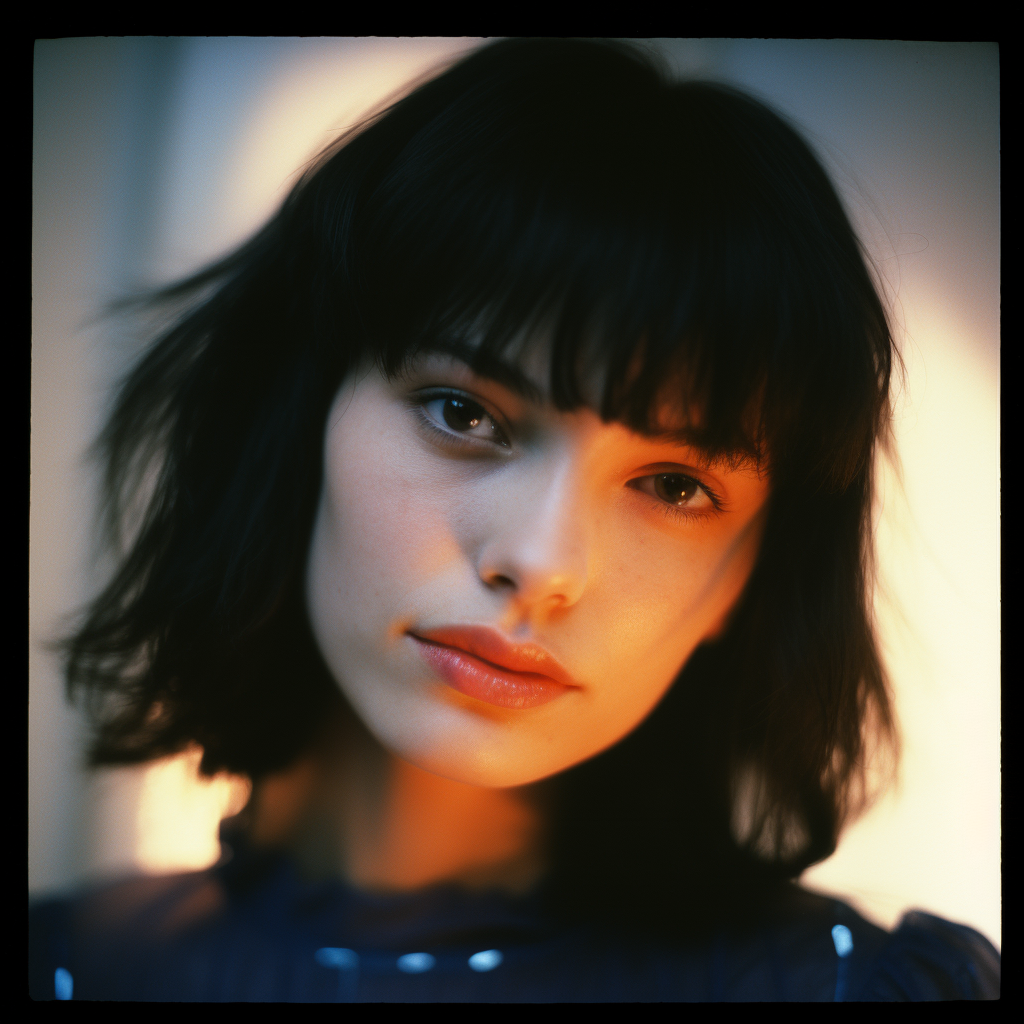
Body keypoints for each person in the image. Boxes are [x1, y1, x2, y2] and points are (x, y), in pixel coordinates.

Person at [29, 38, 999, 1001]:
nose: (539, 561)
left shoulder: (849, 991)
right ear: (299, 418)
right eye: (465, 414)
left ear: (751, 577)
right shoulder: (74, 970)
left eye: (673, 486)